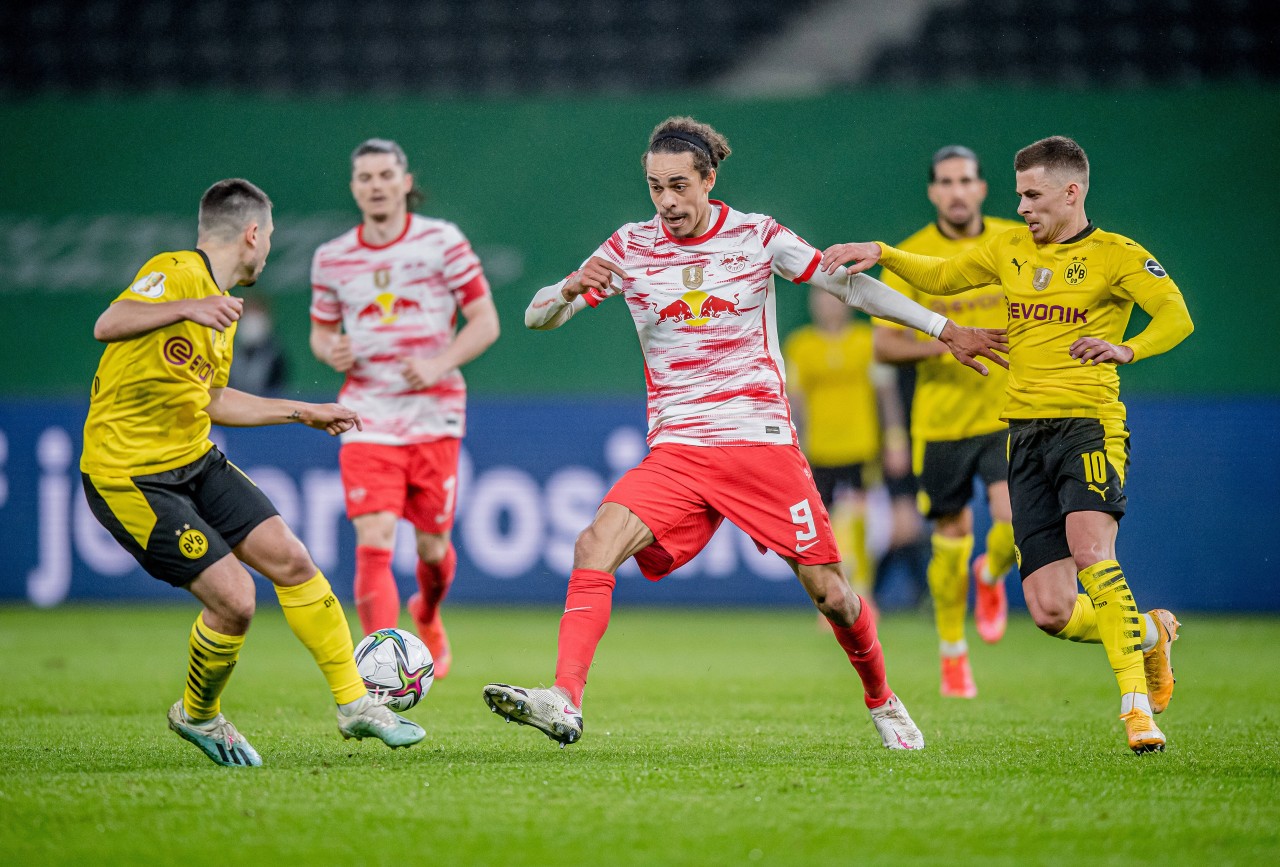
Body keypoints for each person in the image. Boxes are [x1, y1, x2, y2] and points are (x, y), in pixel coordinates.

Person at [482, 116, 1008, 751]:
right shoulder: (629, 248)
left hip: (760, 443)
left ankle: (883, 698)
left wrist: (943, 329)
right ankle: (564, 700)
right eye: (655, 187)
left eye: (679, 185)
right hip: (677, 449)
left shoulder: (757, 237)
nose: (668, 201)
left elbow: (849, 288)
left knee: (834, 596)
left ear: (709, 179)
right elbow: (538, 318)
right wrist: (566, 288)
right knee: (594, 543)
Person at [821, 136, 1192, 753]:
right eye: (1019, 194)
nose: (1021, 207)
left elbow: (1175, 314)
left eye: (1032, 195)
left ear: (1072, 193)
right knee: (1050, 611)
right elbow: (941, 275)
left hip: (1088, 425)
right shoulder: (1008, 248)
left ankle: (1137, 713)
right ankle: (1150, 635)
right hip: (1023, 432)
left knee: (1092, 551)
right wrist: (881, 251)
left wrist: (1129, 349)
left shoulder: (1117, 256)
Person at [80, 178, 426, 768]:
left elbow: (211, 400)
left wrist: (302, 412)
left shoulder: (220, 305)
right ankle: (198, 714)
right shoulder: (179, 273)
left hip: (193, 456)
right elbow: (108, 322)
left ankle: (355, 705)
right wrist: (188, 306)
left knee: (292, 561)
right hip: (128, 475)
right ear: (253, 233)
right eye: (270, 238)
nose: (268, 250)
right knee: (236, 601)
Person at [310, 139, 499, 679]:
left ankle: (428, 613)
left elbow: (485, 322)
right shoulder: (333, 258)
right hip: (366, 413)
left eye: (385, 175)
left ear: (403, 182)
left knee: (433, 547)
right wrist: (332, 350)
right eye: (364, 177)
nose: (375, 185)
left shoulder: (442, 242)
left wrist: (441, 363)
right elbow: (321, 336)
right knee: (373, 536)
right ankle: (378, 669)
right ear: (354, 188)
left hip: (434, 414)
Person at [873, 145, 1024, 699]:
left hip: (1007, 411)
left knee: (1015, 522)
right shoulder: (914, 256)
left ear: (983, 188)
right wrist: (947, 343)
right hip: (940, 423)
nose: (957, 191)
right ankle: (952, 653)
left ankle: (992, 576)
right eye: (945, 182)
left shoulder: (1015, 241)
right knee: (951, 539)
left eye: (966, 180)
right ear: (934, 192)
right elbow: (884, 343)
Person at [783, 287, 910, 617]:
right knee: (823, 530)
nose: (828, 307)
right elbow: (795, 402)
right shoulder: (801, 345)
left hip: (860, 447)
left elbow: (886, 395)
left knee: (859, 523)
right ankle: (828, 600)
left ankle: (863, 594)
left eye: (833, 300)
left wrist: (895, 440)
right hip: (819, 451)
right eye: (821, 300)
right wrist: (795, 447)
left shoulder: (865, 342)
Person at [226, 294, 288, 396]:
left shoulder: (275, 357)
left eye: (256, 314)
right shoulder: (230, 352)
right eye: (248, 314)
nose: (251, 323)